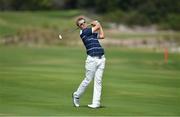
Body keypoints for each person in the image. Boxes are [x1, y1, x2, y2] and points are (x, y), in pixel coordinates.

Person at [72, 16, 106, 109]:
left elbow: (102, 36)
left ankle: (96, 103)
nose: (83, 24)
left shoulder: (91, 32)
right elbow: (97, 26)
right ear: (79, 26)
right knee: (88, 80)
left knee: (98, 81)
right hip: (92, 60)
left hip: (101, 58)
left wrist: (99, 25)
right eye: (81, 24)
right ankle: (76, 95)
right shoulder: (84, 32)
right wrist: (96, 23)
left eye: (84, 22)